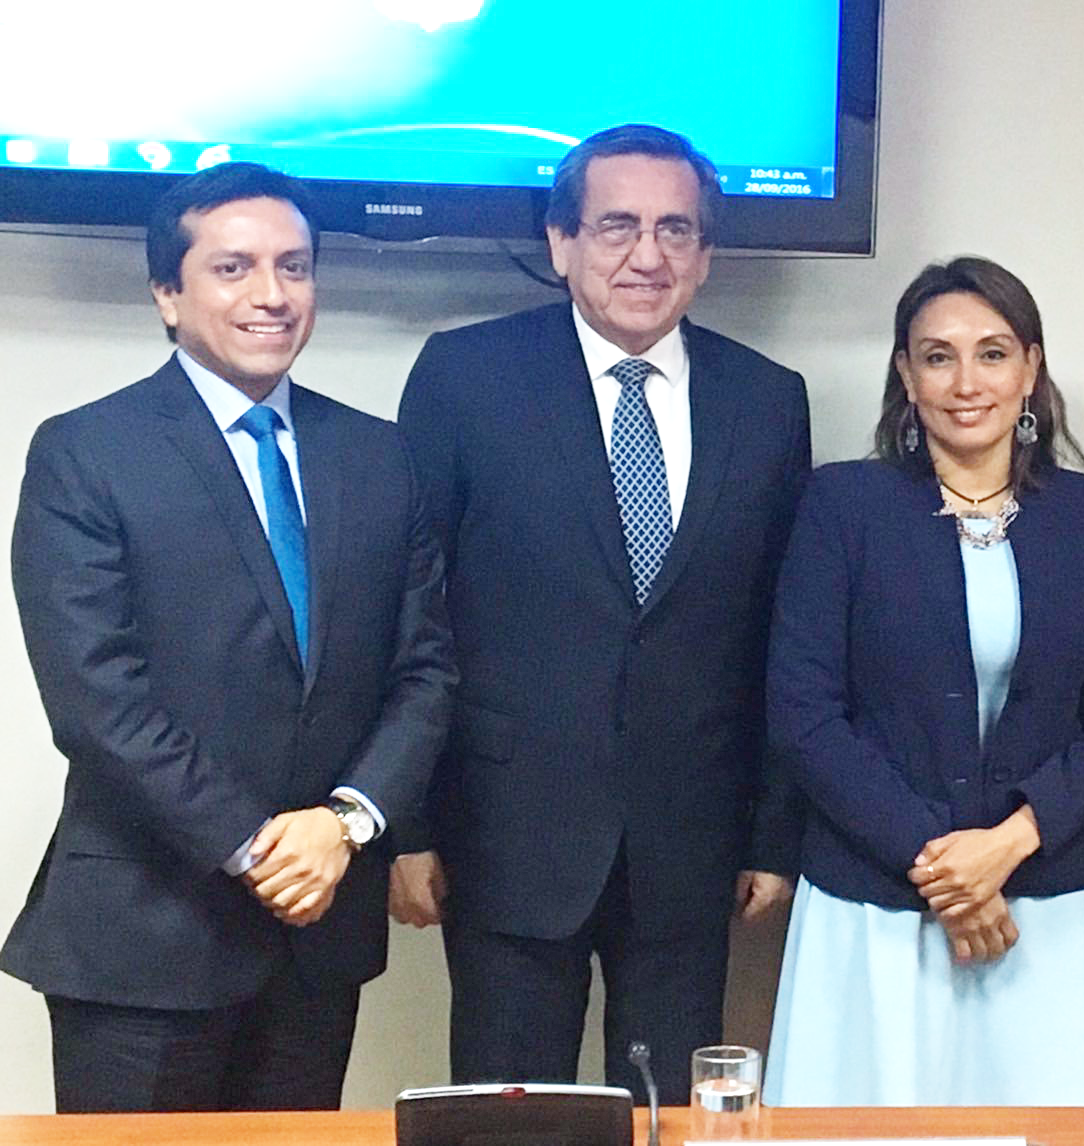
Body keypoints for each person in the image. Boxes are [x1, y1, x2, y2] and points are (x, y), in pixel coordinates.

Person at [2, 163, 455, 1112]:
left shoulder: (377, 456)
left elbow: (424, 671)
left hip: (318, 936)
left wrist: (348, 824)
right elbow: (98, 703)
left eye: (295, 267)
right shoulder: (85, 452)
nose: (272, 295)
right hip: (142, 938)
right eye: (234, 268)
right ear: (167, 294)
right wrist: (258, 850)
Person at [392, 124, 811, 1101]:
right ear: (561, 243)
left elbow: (779, 635)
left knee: (674, 1112)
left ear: (705, 256)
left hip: (690, 845)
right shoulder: (464, 378)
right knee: (505, 1120)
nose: (646, 254)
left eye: (675, 229)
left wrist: (771, 834)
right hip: (502, 837)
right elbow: (408, 612)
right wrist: (405, 826)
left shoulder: (768, 401)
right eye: (616, 225)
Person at [761, 256, 1084, 1106]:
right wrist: (942, 869)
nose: (965, 381)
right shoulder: (842, 505)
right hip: (873, 905)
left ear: (1032, 369)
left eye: (993, 353)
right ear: (905, 374)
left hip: (1036, 908)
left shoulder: (1083, 515)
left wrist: (1006, 845)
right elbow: (803, 716)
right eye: (937, 356)